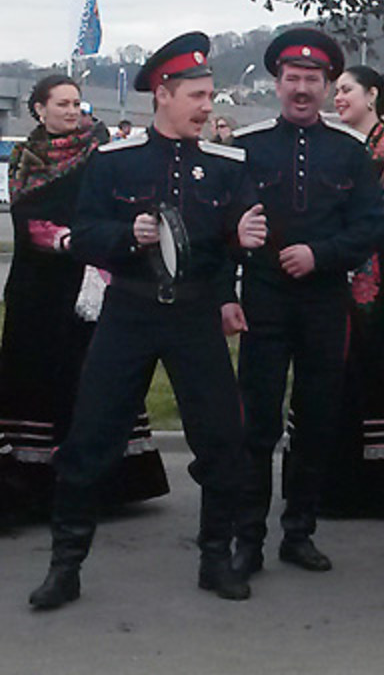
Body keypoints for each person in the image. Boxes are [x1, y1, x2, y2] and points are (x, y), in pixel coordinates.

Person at [27, 32, 268, 609]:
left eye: (210, 95)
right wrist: (125, 236)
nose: (208, 106)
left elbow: (231, 246)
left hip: (194, 315)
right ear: (163, 94)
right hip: (130, 311)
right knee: (91, 438)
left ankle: (216, 559)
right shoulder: (115, 161)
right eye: (197, 95)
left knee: (221, 440)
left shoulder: (228, 166)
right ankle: (65, 567)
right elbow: (85, 234)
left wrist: (240, 240)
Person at [229, 28, 382, 578]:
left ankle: (299, 532)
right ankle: (248, 538)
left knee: (317, 421)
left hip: (324, 301)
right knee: (257, 423)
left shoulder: (351, 151)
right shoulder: (245, 149)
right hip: (264, 300)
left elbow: (369, 227)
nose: (301, 89)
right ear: (277, 84)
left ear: (326, 87)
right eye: (292, 78)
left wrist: (321, 254)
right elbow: (223, 226)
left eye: (311, 80)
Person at [0, 77, 168, 521]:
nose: (73, 111)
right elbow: (26, 216)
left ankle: (101, 483)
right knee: (35, 374)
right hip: (38, 284)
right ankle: (29, 485)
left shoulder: (101, 152)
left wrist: (96, 242)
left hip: (89, 280)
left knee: (90, 374)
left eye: (77, 103)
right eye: (63, 104)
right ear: (39, 110)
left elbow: (116, 206)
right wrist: (60, 238)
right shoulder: (25, 157)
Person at [321, 65, 384, 517]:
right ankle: (335, 484)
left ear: (372, 94)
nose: (338, 98)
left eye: (347, 90)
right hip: (337, 272)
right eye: (336, 91)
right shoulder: (338, 148)